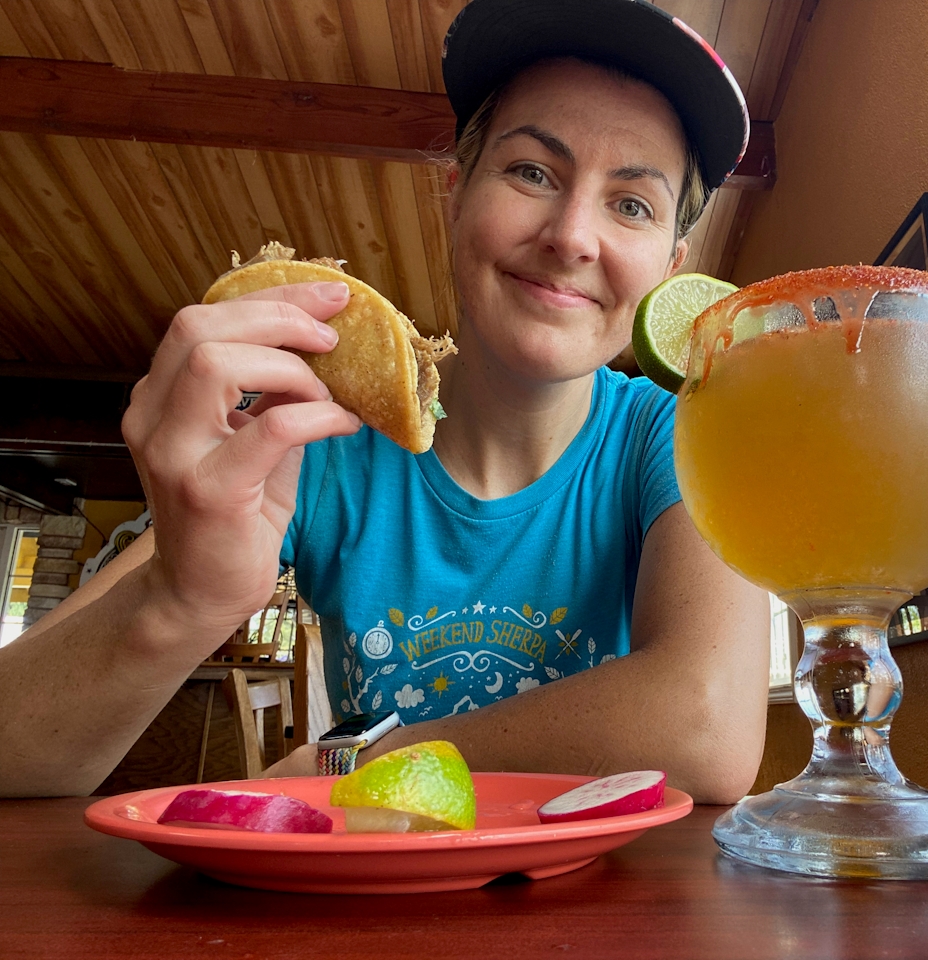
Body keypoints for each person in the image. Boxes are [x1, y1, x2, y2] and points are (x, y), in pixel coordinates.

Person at [0, 0, 769, 801]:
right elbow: (12, 748)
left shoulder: (685, 436)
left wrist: (371, 761)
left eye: (631, 203)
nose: (573, 235)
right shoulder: (312, 438)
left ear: (671, 266)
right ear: (456, 195)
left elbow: (706, 728)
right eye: (531, 172)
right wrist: (181, 600)